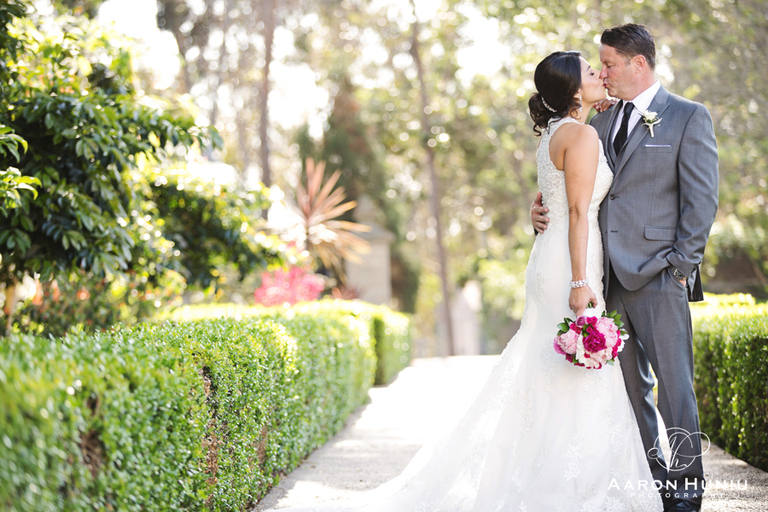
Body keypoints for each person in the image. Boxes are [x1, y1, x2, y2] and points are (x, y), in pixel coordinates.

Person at [265, 50, 662, 512]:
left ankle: (550, 475)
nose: (600, 75)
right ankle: (571, 487)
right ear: (574, 90)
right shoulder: (582, 135)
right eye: (591, 71)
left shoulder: (556, 132)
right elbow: (576, 211)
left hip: (549, 256)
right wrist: (579, 281)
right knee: (572, 366)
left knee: (548, 363)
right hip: (571, 262)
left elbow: (554, 199)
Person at [532, 24, 719, 512]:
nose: (604, 73)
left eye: (609, 64)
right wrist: (539, 210)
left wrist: (680, 268)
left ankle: (686, 490)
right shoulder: (598, 122)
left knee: (675, 390)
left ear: (638, 64)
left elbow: (701, 202)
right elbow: (572, 190)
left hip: (660, 275)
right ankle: (652, 484)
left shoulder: (687, 117)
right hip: (605, 278)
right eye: (598, 66)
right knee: (630, 390)